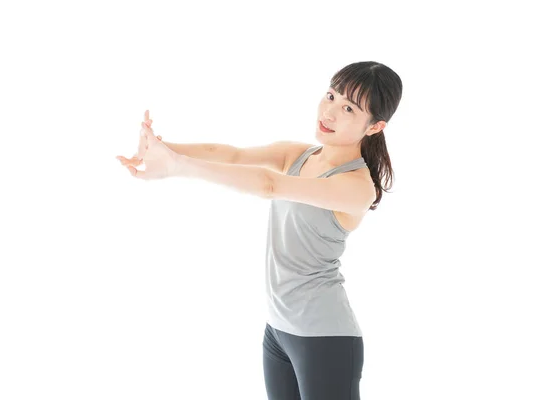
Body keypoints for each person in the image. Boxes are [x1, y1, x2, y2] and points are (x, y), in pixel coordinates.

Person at [116, 61, 403, 400]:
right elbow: (231, 155)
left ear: (374, 126)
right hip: (278, 332)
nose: (329, 112)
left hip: (325, 336)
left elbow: (269, 186)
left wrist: (179, 167)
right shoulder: (299, 155)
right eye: (330, 96)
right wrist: (162, 149)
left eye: (348, 108)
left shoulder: (357, 186)